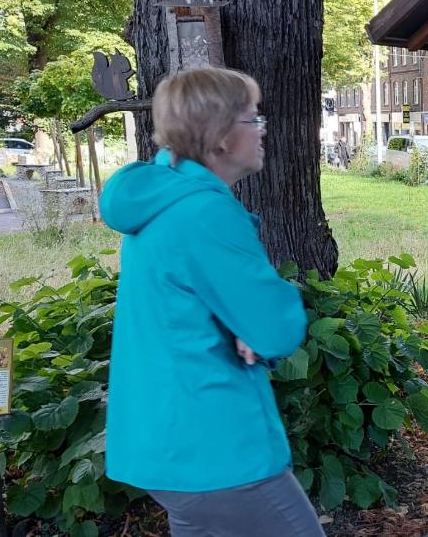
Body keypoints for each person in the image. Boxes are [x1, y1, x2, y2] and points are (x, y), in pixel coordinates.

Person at [100, 67, 324, 536]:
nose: (262, 131)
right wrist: (254, 325)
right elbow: (276, 327)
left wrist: (243, 322)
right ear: (220, 136)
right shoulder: (204, 211)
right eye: (252, 118)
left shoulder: (160, 197)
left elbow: (198, 302)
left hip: (168, 439)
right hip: (215, 445)